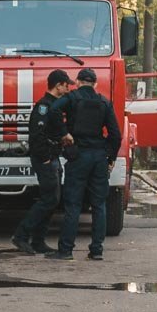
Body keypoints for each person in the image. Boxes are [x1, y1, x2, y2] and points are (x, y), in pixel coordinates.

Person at [45, 67, 120, 261]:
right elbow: (116, 135)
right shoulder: (104, 102)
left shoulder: (72, 98)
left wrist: (64, 133)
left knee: (73, 204)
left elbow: (52, 110)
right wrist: (110, 158)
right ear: (95, 84)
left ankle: (66, 250)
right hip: (98, 158)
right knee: (99, 205)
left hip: (78, 156)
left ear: (78, 82)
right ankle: (96, 250)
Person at [11, 69, 72, 254]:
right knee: (49, 199)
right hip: (45, 158)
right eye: (66, 85)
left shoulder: (55, 105)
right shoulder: (44, 106)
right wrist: (45, 158)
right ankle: (21, 236)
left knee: (53, 199)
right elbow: (37, 136)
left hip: (52, 156)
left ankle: (38, 241)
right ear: (58, 85)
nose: (68, 88)